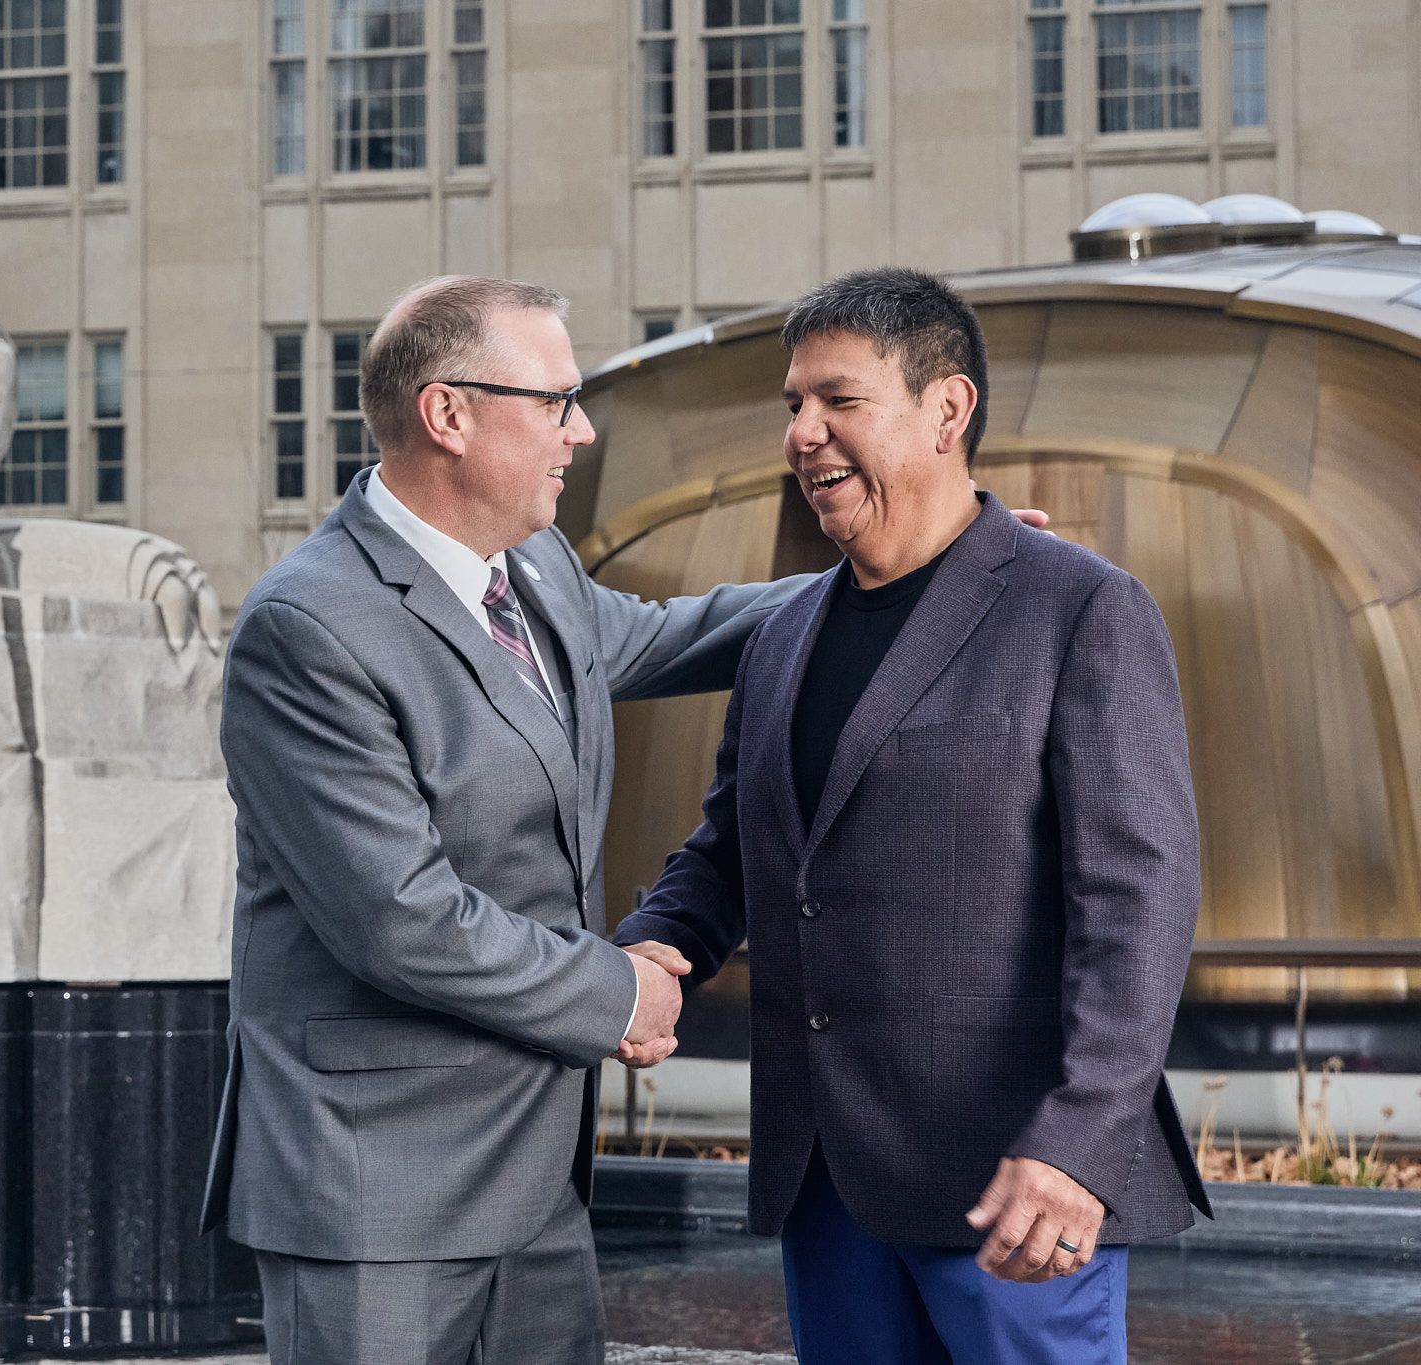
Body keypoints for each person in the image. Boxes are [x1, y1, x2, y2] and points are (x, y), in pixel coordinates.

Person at [197, 275, 818, 1365]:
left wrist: (889, 573)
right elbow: (400, 918)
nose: (578, 432)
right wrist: (618, 988)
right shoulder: (305, 629)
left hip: (534, 1177)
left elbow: (675, 635)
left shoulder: (532, 569)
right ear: (448, 414)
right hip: (373, 1189)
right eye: (556, 402)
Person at [613, 266, 1211, 1364]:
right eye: (791, 405)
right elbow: (735, 854)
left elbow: (1138, 902)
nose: (802, 433)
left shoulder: (1081, 607)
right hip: (821, 1182)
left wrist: (1077, 1144)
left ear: (947, 410)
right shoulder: (781, 635)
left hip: (1015, 1188)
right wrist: (652, 949)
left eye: (837, 400)